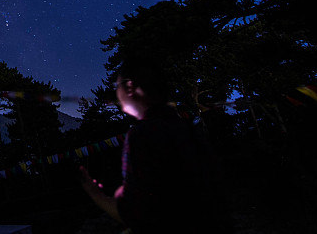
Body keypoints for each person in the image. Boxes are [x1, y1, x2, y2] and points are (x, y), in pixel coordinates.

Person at [78, 60, 229, 233]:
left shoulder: (142, 134)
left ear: (129, 87)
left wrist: (92, 191)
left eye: (116, 85)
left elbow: (135, 214)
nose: (115, 92)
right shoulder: (187, 128)